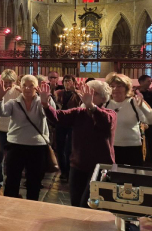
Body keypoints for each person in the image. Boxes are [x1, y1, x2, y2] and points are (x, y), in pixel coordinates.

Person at [41, 80, 116, 208]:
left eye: (93, 93)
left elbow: (105, 122)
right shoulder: (79, 113)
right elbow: (58, 117)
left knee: (88, 205)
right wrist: (45, 104)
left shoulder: (110, 113)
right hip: (78, 165)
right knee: (76, 204)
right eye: (86, 92)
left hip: (100, 167)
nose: (88, 96)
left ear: (103, 98)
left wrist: (91, 106)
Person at [0, 74, 54, 201]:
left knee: (34, 181)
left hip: (37, 147)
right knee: (12, 180)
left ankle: (32, 208)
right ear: (20, 87)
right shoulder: (13, 103)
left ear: (37, 87)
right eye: (24, 85)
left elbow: (50, 114)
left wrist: (45, 102)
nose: (27, 88)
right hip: (16, 145)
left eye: (31, 86)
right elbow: (1, 112)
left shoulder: (41, 101)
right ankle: (9, 207)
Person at [103, 73, 152, 167]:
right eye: (112, 86)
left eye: (119, 86)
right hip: (110, 147)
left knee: (130, 179)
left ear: (126, 88)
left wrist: (142, 107)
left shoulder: (134, 102)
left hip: (132, 147)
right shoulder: (105, 103)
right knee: (112, 178)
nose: (115, 89)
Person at [55, 74, 82, 182]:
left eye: (69, 81)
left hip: (72, 123)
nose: (67, 83)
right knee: (60, 148)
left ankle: (70, 171)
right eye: (65, 81)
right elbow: (53, 99)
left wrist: (75, 91)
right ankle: (63, 171)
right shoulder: (60, 93)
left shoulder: (77, 93)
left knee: (69, 148)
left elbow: (81, 103)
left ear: (74, 82)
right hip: (60, 122)